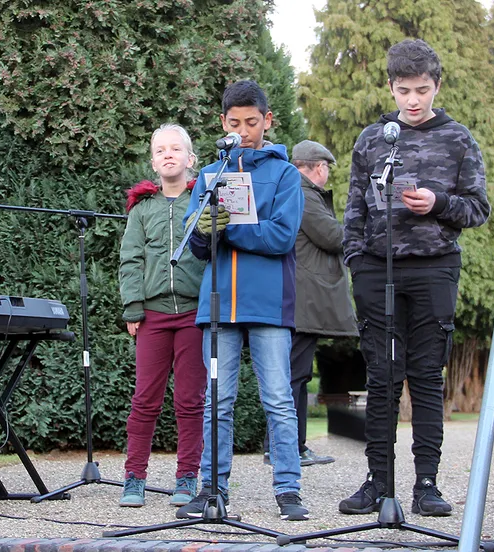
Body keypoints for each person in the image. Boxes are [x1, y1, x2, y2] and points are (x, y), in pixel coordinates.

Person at [340, 39, 490, 517]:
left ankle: (427, 484)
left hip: (434, 269)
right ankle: (378, 482)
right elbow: (353, 210)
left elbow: (479, 208)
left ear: (437, 86)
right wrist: (355, 262)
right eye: (403, 90)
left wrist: (439, 203)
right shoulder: (371, 140)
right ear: (390, 86)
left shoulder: (459, 138)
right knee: (382, 377)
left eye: (422, 90)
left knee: (426, 377)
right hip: (376, 270)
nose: (412, 100)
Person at [176, 80, 309, 521]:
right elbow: (196, 247)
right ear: (223, 123)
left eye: (253, 122)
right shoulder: (211, 177)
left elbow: (281, 236)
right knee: (218, 401)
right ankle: (213, 488)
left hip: (269, 303)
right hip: (217, 305)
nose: (245, 130)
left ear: (267, 121)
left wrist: (228, 229)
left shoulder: (286, 174)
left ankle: (288, 488)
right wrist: (201, 230)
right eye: (235, 123)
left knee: (277, 399)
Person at [118, 124, 208, 508]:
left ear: (191, 159)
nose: (168, 154)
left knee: (190, 400)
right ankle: (134, 477)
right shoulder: (143, 209)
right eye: (160, 150)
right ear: (153, 161)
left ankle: (187, 476)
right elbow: (130, 259)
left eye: (176, 149)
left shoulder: (205, 201)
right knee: (145, 399)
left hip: (193, 315)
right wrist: (132, 306)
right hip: (152, 315)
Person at [262, 140, 358, 468]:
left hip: (301, 298)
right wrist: (362, 233)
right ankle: (285, 447)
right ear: (317, 166)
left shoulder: (297, 191)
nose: (328, 173)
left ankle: (288, 446)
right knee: (293, 376)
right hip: (303, 298)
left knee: (295, 375)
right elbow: (332, 236)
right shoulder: (304, 193)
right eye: (327, 167)